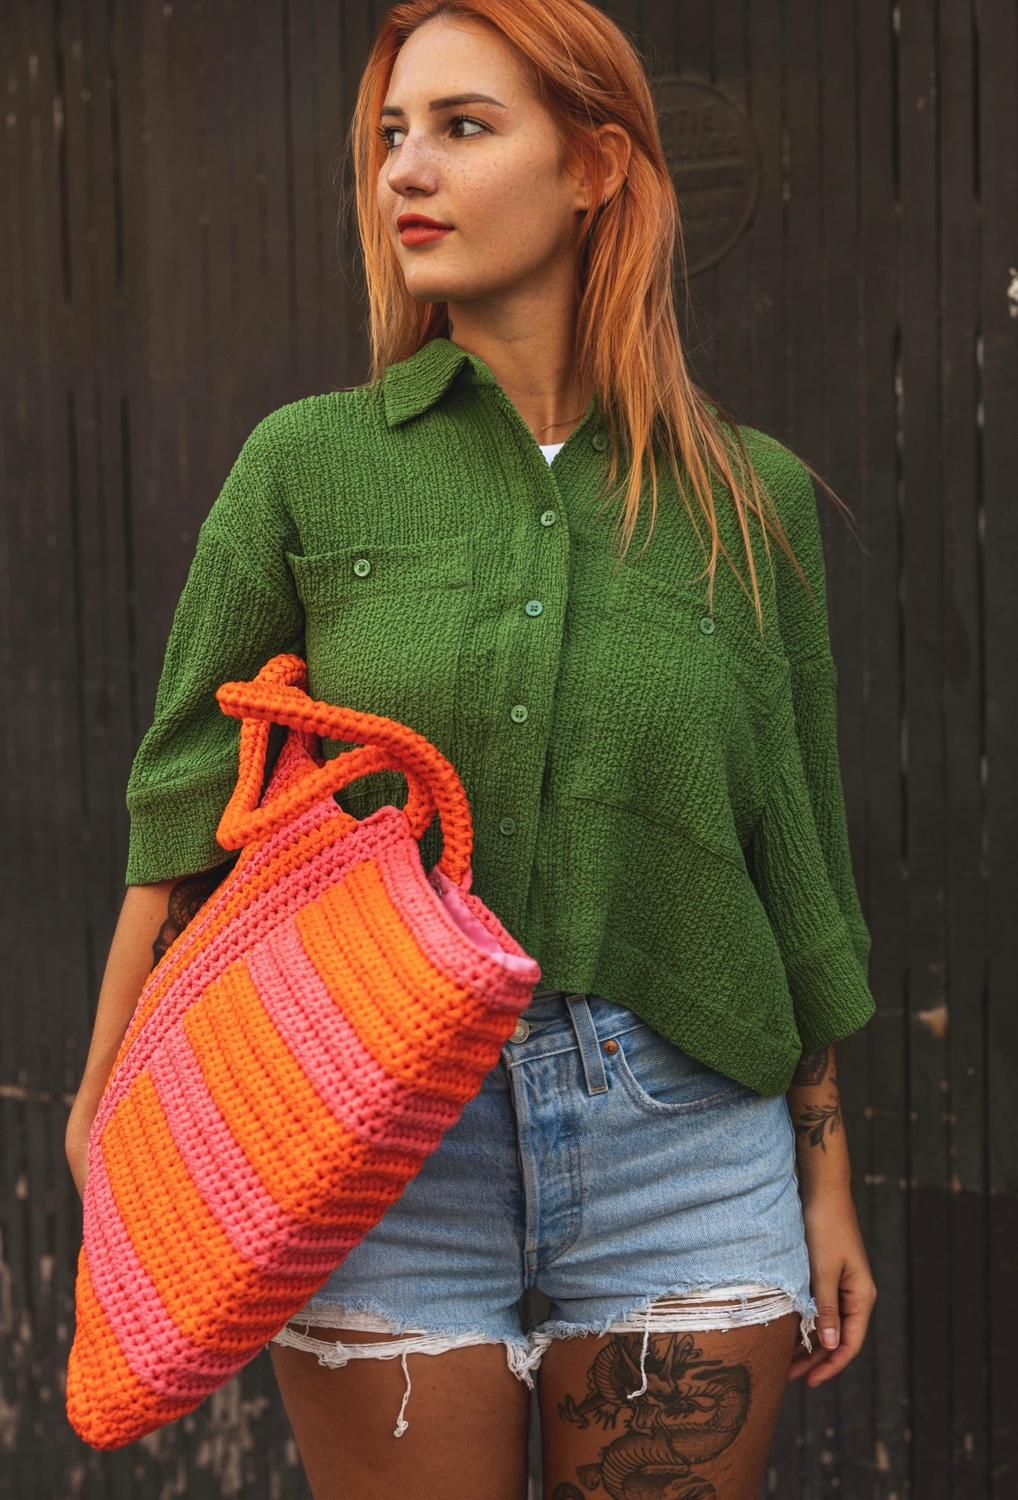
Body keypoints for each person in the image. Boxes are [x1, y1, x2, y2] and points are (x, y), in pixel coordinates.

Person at [65, 1, 879, 1494]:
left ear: (594, 168)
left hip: (686, 1148)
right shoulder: (307, 466)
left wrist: (825, 1180)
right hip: (372, 1148)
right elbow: (186, 797)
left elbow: (796, 859)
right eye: (391, 134)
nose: (404, 171)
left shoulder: (741, 500)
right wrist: (105, 1099)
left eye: (461, 127)